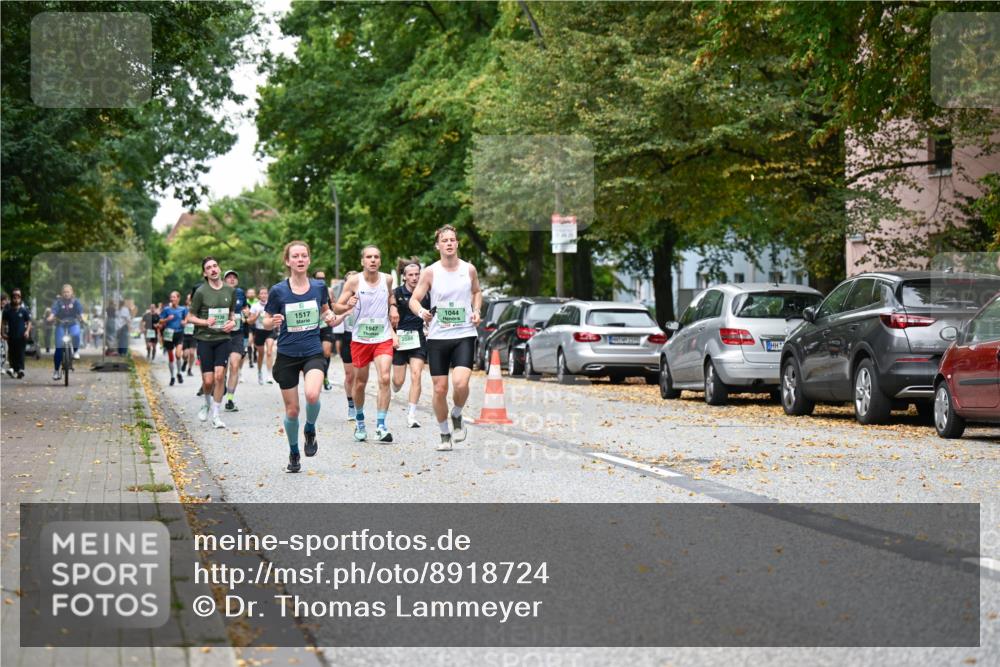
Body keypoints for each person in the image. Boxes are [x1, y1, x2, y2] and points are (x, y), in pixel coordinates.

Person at [263, 241, 336, 473]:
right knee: (292, 410)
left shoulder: (318, 287)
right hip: (287, 354)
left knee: (313, 395)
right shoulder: (278, 291)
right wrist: (272, 321)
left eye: (304, 255)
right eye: (296, 256)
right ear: (288, 261)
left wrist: (331, 315)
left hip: (312, 350)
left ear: (309, 260)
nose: (300, 259)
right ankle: (294, 452)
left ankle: (310, 429)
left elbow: (325, 311)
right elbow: (265, 320)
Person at [409, 224, 483, 451]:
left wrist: (477, 311)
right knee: (440, 389)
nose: (449, 243)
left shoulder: (468, 269)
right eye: (445, 240)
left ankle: (457, 414)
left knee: (460, 383)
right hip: (438, 336)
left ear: (457, 243)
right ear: (438, 245)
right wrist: (422, 312)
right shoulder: (430, 272)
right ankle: (444, 434)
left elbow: (476, 291)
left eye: (452, 240)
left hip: (463, 333)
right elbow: (414, 299)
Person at [335, 246, 399, 443]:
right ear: (362, 261)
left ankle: (381, 426)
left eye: (376, 257)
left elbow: (389, 295)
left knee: (385, 378)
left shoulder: (387, 279)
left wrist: (393, 307)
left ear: (380, 261)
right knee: (360, 383)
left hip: (382, 337)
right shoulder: (354, 281)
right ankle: (360, 421)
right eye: (369, 257)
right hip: (361, 339)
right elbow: (337, 307)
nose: (373, 260)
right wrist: (348, 305)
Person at [189, 257, 236, 429]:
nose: (213, 269)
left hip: (223, 339)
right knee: (208, 381)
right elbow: (190, 317)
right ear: (205, 273)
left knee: (219, 376)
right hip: (205, 339)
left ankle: (216, 415)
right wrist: (204, 322)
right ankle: (206, 403)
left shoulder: (230, 291)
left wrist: (232, 323)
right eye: (209, 268)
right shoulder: (201, 292)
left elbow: (232, 315)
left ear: (219, 268)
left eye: (215, 266)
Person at [392, 257, 430, 428]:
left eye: (417, 274)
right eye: (411, 275)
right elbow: (387, 317)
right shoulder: (396, 293)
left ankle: (412, 415)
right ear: (404, 277)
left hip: (418, 338)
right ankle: (395, 385)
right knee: (399, 381)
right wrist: (393, 335)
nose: (414, 278)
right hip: (400, 340)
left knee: (416, 374)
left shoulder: (426, 294)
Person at [222, 270, 249, 412]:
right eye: (229, 277)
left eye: (234, 277)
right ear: (224, 280)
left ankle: (230, 400)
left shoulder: (240, 293)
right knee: (222, 370)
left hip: (238, 334)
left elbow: (245, 306)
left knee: (234, 365)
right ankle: (222, 383)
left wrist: (246, 312)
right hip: (222, 335)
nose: (232, 279)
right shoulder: (219, 292)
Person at [333, 272, 358, 419]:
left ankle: (358, 403)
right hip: (348, 338)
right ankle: (351, 405)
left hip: (364, 338)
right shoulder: (343, 301)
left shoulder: (367, 295)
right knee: (350, 376)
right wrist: (345, 311)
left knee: (359, 376)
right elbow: (335, 316)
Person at [48, 284, 84, 381]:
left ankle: (75, 351)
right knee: (59, 348)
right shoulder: (58, 302)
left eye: (68, 292)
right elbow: (53, 311)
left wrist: (82, 318)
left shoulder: (76, 301)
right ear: (61, 293)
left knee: (76, 334)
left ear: (72, 292)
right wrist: (51, 317)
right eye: (64, 292)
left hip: (73, 323)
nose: (66, 294)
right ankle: (56, 371)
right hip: (60, 324)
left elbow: (80, 311)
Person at [313, 270, 336, 391]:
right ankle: (318, 377)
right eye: (318, 278)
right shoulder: (310, 289)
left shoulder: (329, 290)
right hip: (313, 326)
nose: (321, 280)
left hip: (325, 324)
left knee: (326, 352)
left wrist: (333, 315)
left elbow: (333, 305)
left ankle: (325, 376)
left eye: (323, 278)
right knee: (317, 353)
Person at [159, 290, 188, 386]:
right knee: (171, 358)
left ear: (178, 298)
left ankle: (179, 373)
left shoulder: (183, 309)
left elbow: (187, 318)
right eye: (171, 297)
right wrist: (167, 319)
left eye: (174, 297)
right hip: (169, 334)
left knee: (178, 355)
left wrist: (185, 322)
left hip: (179, 333)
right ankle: (172, 377)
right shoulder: (166, 309)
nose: (172, 299)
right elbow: (160, 321)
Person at [2, 288, 32, 378]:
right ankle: (13, 368)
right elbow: (3, 322)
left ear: (20, 299)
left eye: (18, 297)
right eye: (14, 297)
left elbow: (29, 322)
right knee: (12, 352)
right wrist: (3, 333)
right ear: (12, 298)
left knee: (20, 352)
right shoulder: (7, 311)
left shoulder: (24, 311)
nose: (16, 299)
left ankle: (20, 369)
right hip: (11, 335)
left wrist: (27, 331)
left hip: (22, 336)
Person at [181, 292, 197, 376]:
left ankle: (189, 369)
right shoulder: (183, 310)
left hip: (193, 334)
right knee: (185, 354)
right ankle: (184, 361)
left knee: (191, 353)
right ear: (186, 301)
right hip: (184, 334)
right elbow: (180, 319)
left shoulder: (196, 309)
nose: (190, 300)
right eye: (188, 299)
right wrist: (183, 322)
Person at [245, 287, 257, 368]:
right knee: (249, 342)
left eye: (252, 293)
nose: (251, 294)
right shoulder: (245, 302)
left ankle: (255, 355)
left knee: (255, 342)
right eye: (249, 293)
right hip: (249, 324)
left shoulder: (258, 302)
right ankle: (250, 360)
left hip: (257, 325)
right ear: (247, 294)